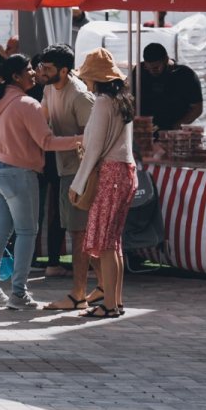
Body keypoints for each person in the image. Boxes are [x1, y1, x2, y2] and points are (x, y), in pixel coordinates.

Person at [0, 55, 81, 311]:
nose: (34, 74)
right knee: (26, 232)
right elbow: (46, 142)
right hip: (18, 172)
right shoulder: (27, 104)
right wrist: (81, 139)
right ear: (16, 76)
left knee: (0, 230)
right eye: (28, 70)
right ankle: (19, 293)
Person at [69, 48, 137, 320]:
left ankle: (109, 304)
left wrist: (78, 183)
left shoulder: (102, 103)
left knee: (106, 245)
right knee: (114, 243)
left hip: (109, 174)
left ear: (97, 78)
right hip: (126, 172)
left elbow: (94, 147)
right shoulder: (122, 101)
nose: (86, 82)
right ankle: (115, 301)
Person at [37, 44, 97, 309]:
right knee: (77, 231)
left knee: (80, 234)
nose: (42, 72)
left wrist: (82, 177)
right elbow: (42, 118)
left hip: (80, 172)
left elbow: (93, 140)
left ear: (64, 70)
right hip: (64, 170)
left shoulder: (81, 97)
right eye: (42, 67)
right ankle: (84, 291)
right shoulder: (49, 89)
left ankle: (81, 293)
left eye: (47, 69)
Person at [133, 43, 203, 131]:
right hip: (145, 131)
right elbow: (131, 99)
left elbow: (197, 108)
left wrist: (177, 126)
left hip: (173, 132)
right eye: (148, 68)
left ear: (166, 60)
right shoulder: (140, 71)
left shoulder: (185, 75)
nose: (151, 71)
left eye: (156, 68)